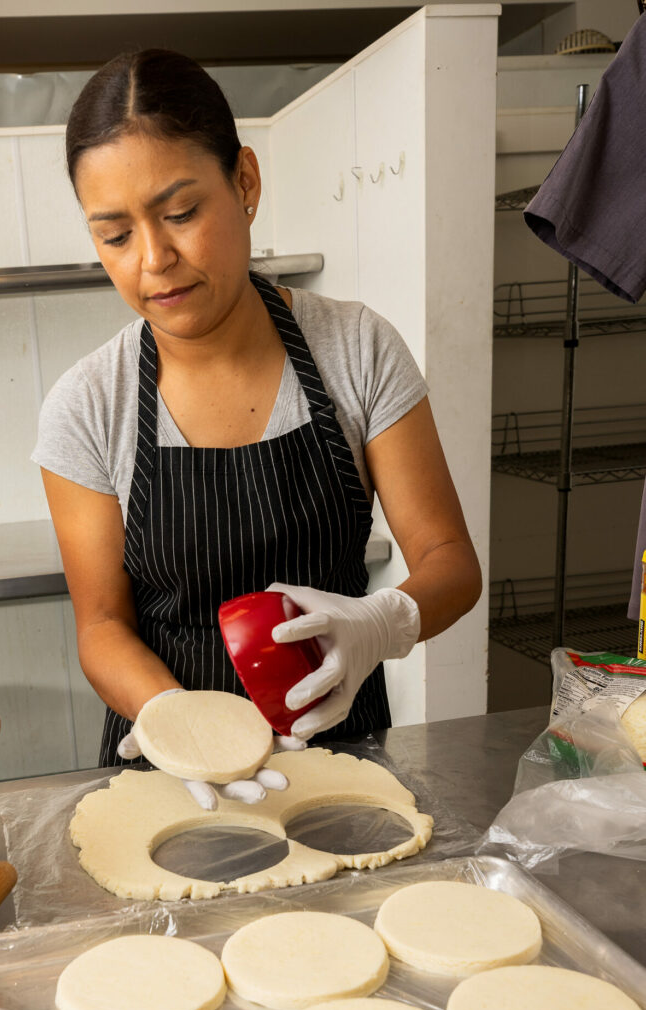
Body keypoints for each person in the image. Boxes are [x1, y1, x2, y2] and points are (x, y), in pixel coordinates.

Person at [33, 48, 481, 807]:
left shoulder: (357, 349)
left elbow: (449, 562)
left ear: (244, 182)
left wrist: (381, 621)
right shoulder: (87, 404)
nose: (153, 260)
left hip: (340, 750)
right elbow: (102, 625)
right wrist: (178, 721)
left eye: (180, 213)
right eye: (113, 235)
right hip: (172, 774)